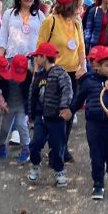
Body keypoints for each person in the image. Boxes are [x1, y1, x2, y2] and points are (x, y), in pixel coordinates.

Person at [70, 46, 108, 200]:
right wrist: (70, 111)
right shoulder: (88, 81)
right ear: (96, 65)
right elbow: (79, 99)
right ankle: (98, 184)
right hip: (94, 123)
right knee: (97, 155)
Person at [36, 0, 87, 162]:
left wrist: (83, 66)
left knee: (69, 112)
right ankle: (54, 149)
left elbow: (81, 48)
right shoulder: (50, 21)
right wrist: (38, 73)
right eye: (77, 4)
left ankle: (62, 148)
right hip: (54, 74)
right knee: (54, 113)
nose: (80, 7)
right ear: (69, 5)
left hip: (73, 74)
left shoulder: (77, 23)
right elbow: (40, 47)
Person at [0, 0, 44, 158]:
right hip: (10, 61)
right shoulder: (10, 13)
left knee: (27, 98)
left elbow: (43, 41)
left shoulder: (40, 16)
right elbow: (2, 37)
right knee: (11, 97)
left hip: (31, 63)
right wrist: (0, 59)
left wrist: (40, 63)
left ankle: (25, 142)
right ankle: (5, 140)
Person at [26, 42, 74, 187]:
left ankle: (59, 172)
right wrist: (31, 114)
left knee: (58, 146)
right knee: (35, 144)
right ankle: (35, 166)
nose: (35, 60)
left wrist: (64, 106)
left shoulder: (60, 73)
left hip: (56, 118)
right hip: (41, 117)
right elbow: (32, 95)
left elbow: (67, 89)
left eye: (37, 57)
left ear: (44, 57)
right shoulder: (39, 76)